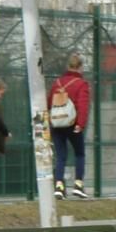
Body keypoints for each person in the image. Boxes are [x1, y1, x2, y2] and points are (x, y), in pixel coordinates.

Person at [49, 52, 91, 199]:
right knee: (79, 153)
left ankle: (59, 186)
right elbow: (83, 105)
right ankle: (78, 184)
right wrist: (81, 124)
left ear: (68, 66)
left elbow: (49, 102)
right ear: (80, 67)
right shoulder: (81, 84)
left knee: (61, 156)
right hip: (72, 124)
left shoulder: (57, 83)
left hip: (57, 124)